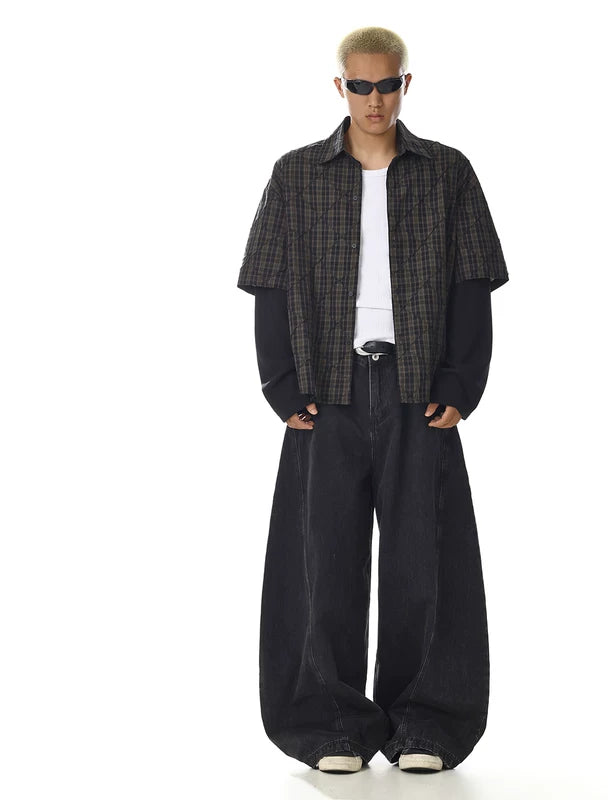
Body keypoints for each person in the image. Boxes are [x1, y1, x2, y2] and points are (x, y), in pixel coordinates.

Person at [237, 26, 509, 774]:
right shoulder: (296, 174)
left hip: (419, 387)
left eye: (387, 84)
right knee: (322, 559)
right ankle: (329, 725)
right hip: (325, 390)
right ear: (341, 87)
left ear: (404, 84)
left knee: (426, 557)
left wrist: (461, 383)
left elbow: (473, 281)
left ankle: (426, 723)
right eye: (360, 86)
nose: (374, 100)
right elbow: (268, 282)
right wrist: (280, 385)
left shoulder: (448, 172)